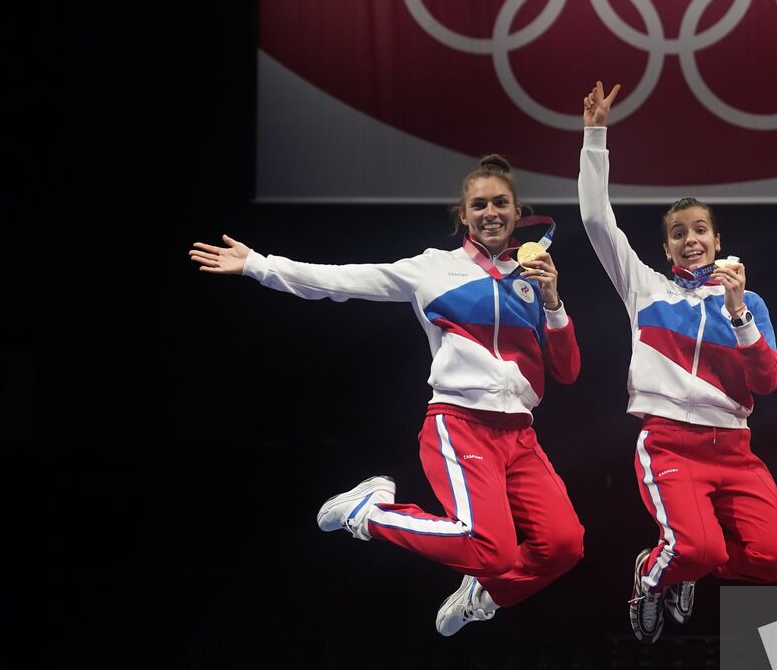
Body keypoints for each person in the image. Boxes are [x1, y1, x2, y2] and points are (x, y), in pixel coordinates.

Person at [188, 154, 584, 636]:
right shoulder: (431, 270)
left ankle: (487, 593)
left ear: (519, 212)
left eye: (501, 202)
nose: (490, 212)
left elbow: (567, 371)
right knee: (491, 550)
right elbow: (339, 281)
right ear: (463, 215)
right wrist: (258, 265)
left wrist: (554, 302)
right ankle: (369, 513)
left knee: (564, 545)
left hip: (519, 435)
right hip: (460, 426)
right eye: (478, 204)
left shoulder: (534, 278)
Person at [578, 81, 777, 644]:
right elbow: (596, 221)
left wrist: (737, 314)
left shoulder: (748, 302)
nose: (691, 240)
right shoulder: (644, 288)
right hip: (670, 443)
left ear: (718, 238)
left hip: (735, 451)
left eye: (700, 230)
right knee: (696, 545)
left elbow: (769, 382)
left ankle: (685, 567)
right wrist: (595, 136)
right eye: (678, 234)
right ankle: (656, 576)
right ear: (666, 249)